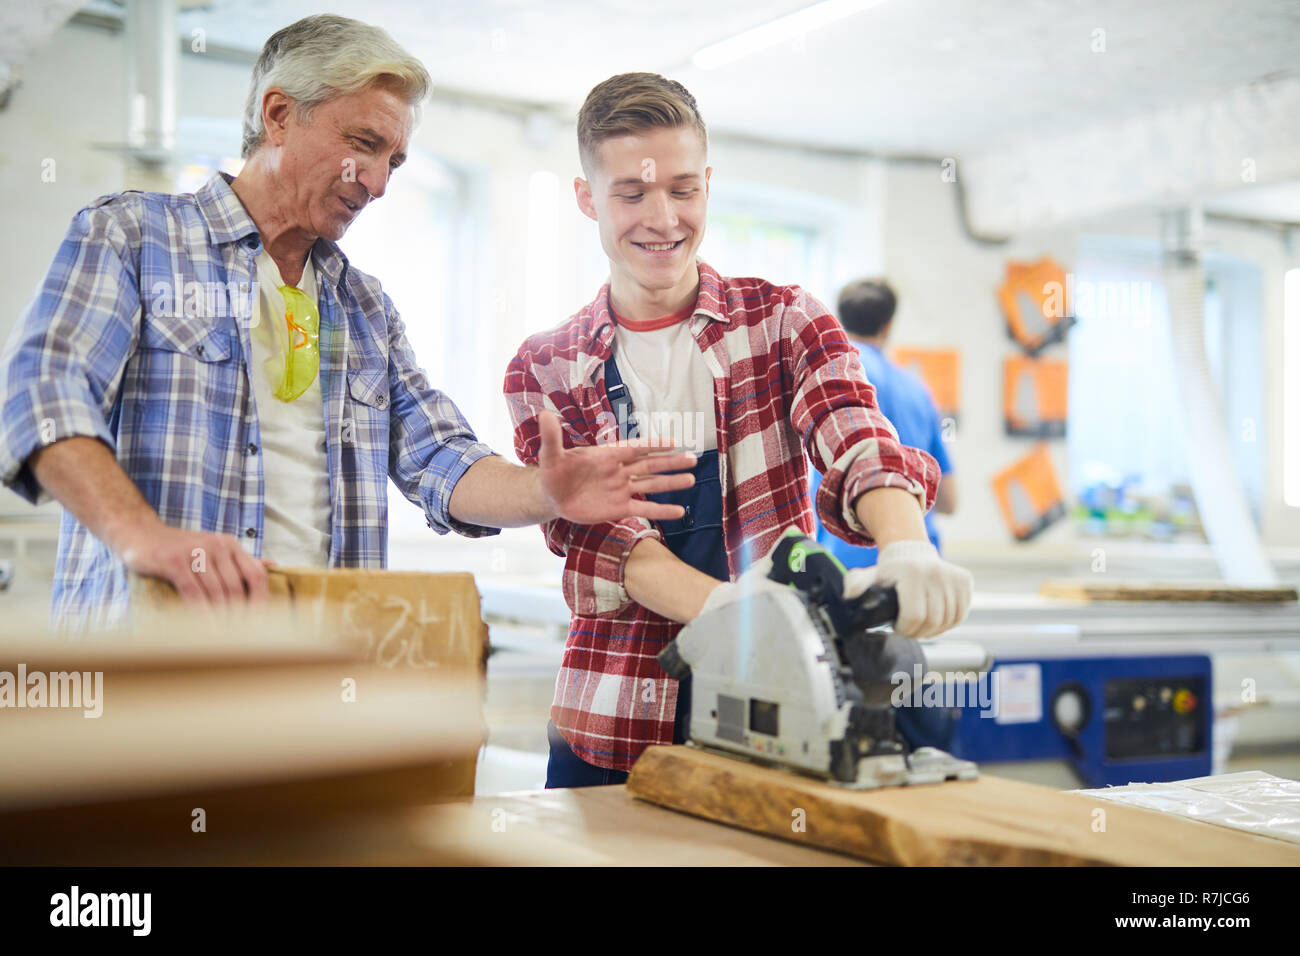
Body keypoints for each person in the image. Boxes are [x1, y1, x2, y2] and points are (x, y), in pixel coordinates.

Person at [0, 16, 695, 629]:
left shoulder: (364, 309)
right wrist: (142, 537)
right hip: (152, 650)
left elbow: (442, 458)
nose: (380, 182)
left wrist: (544, 493)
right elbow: (40, 394)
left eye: (394, 160)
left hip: (312, 675)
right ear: (278, 115)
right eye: (362, 143)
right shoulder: (133, 238)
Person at [504, 73, 974, 788]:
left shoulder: (782, 321)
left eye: (683, 189)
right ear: (586, 197)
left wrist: (905, 542)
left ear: (709, 185)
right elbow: (600, 542)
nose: (662, 218)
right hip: (613, 721)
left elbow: (855, 434)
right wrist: (727, 609)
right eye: (631, 192)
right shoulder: (547, 366)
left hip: (778, 709)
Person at [811, 279, 956, 569]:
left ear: (838, 320)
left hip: (840, 568)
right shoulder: (918, 392)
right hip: (914, 567)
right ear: (889, 325)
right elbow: (950, 500)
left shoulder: (826, 379)